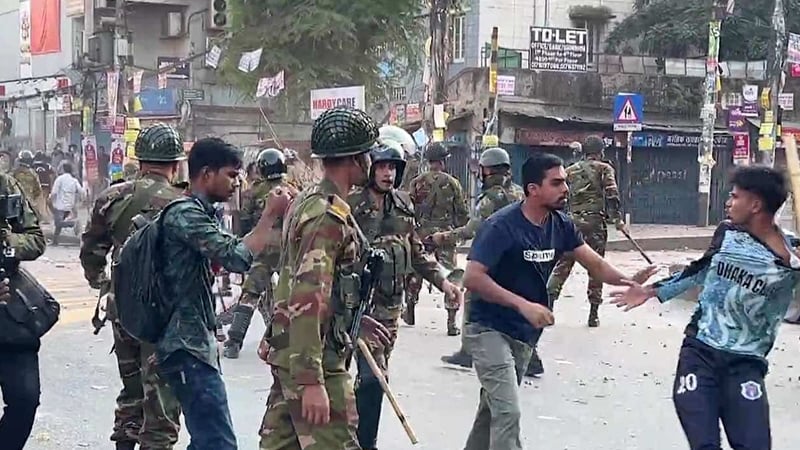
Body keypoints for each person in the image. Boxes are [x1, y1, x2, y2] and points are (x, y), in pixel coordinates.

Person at [460, 152, 655, 450]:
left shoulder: (561, 225)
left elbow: (595, 264)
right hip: (487, 327)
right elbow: (472, 277)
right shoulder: (501, 226)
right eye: (557, 183)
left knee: (493, 410)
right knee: (508, 411)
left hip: (524, 334)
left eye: (564, 182)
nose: (566, 189)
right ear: (533, 189)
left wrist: (629, 279)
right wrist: (522, 305)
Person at [610, 165, 799, 450]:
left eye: (735, 197)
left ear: (756, 205)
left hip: (746, 364)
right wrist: (651, 291)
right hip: (700, 353)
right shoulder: (727, 233)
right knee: (705, 444)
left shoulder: (793, 256)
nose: (728, 202)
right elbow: (699, 270)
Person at [258, 106, 391, 450]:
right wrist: (311, 380)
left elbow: (301, 281)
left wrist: (352, 323)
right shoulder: (328, 215)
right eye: (368, 155)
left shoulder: (309, 202)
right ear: (355, 160)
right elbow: (307, 295)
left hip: (292, 348)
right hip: (313, 356)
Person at [154, 137, 289, 450]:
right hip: (185, 345)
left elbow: (217, 261)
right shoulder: (185, 215)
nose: (237, 182)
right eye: (231, 174)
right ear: (206, 174)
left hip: (197, 341)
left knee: (206, 441)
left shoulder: (204, 213)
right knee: (218, 443)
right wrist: (269, 215)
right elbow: (237, 257)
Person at [347, 139, 463, 450]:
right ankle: (362, 442)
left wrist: (444, 282)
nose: (387, 174)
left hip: (391, 307)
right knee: (372, 377)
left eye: (393, 168)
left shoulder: (402, 204)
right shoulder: (351, 205)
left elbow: (416, 251)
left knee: (376, 376)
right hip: (361, 306)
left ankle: (358, 437)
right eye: (382, 166)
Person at [80, 123, 187, 450]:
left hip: (123, 308)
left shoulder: (111, 198)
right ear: (174, 164)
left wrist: (103, 283)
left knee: (132, 390)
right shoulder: (183, 202)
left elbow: (91, 251)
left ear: (139, 161)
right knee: (163, 393)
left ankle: (125, 442)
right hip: (167, 315)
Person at [439, 147, 524, 369]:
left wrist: (442, 237)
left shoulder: (490, 199)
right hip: (519, 259)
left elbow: (471, 229)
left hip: (493, 260)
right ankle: (531, 358)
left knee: (472, 299)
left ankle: (468, 352)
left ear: (488, 171)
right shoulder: (519, 192)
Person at [223, 148, 298, 359]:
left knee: (250, 293)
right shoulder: (295, 190)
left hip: (263, 248)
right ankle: (281, 342)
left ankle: (234, 342)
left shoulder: (253, 192)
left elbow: (244, 221)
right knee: (287, 296)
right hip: (288, 248)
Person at [0, 171, 46, 450]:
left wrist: (7, 240)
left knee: (25, 399)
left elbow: (36, 239)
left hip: (10, 315)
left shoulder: (4, 184)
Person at [407, 142, 470, 335]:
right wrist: (456, 229)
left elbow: (409, 210)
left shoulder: (416, 182)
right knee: (449, 274)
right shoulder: (453, 183)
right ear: (443, 161)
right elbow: (462, 213)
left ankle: (410, 305)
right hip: (444, 236)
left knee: (418, 269)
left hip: (422, 234)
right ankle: (451, 321)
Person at [49, 162, 84, 244]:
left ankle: (73, 223)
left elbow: (54, 192)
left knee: (58, 223)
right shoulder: (74, 180)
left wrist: (50, 198)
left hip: (60, 205)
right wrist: (81, 200)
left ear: (63, 169)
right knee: (59, 225)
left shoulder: (60, 179)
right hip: (69, 205)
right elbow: (81, 191)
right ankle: (55, 241)